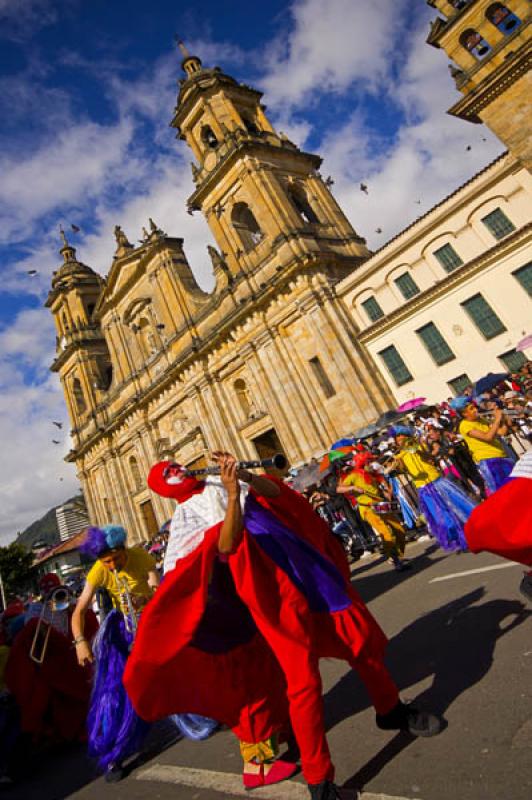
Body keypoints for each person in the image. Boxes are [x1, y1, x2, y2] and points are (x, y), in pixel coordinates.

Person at [125, 453, 442, 800]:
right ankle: (320, 779)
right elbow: (226, 544)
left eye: (176, 464)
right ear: (164, 489)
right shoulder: (187, 516)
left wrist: (245, 477)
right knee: (303, 681)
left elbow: (276, 495)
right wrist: (232, 496)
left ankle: (391, 709)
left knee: (359, 642)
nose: (179, 469)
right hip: (269, 593)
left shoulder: (217, 481)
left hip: (301, 565)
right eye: (169, 472)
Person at [72, 525, 159, 781]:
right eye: (105, 561)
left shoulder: (141, 557)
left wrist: (144, 601)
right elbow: (79, 611)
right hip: (122, 628)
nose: (111, 565)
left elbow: (157, 587)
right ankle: (115, 754)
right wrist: (80, 641)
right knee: (113, 691)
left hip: (150, 621)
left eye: (115, 559)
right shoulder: (99, 570)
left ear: (123, 550)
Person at [5, 574, 98, 748]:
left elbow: (83, 621)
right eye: (51, 593)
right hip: (51, 663)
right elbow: (33, 638)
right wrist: (42, 615)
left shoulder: (67, 604)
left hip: (70, 657)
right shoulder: (36, 610)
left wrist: (71, 606)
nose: (56, 597)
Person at [390, 426, 476, 552]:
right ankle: (458, 540)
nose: (400, 439)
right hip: (424, 488)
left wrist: (418, 451)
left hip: (436, 481)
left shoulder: (419, 446)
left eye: (402, 436)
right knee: (442, 517)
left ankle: (472, 533)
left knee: (456, 507)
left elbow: (430, 459)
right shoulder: (399, 456)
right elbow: (403, 470)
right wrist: (397, 465)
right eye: (398, 438)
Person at [337, 452, 408, 571]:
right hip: (367, 508)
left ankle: (396, 556)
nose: (371, 464)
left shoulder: (372, 474)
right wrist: (352, 488)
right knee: (386, 533)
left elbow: (381, 482)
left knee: (400, 530)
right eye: (368, 462)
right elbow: (339, 489)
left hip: (380, 505)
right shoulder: (353, 476)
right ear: (362, 463)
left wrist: (385, 490)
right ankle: (396, 560)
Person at [455, 398, 515, 494]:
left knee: (516, 485)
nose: (475, 410)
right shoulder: (464, 425)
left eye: (474, 407)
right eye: (471, 409)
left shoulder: (481, 420)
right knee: (502, 492)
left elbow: (501, 432)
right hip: (489, 461)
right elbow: (488, 437)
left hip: (501, 456)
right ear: (464, 414)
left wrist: (504, 419)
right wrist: (497, 419)